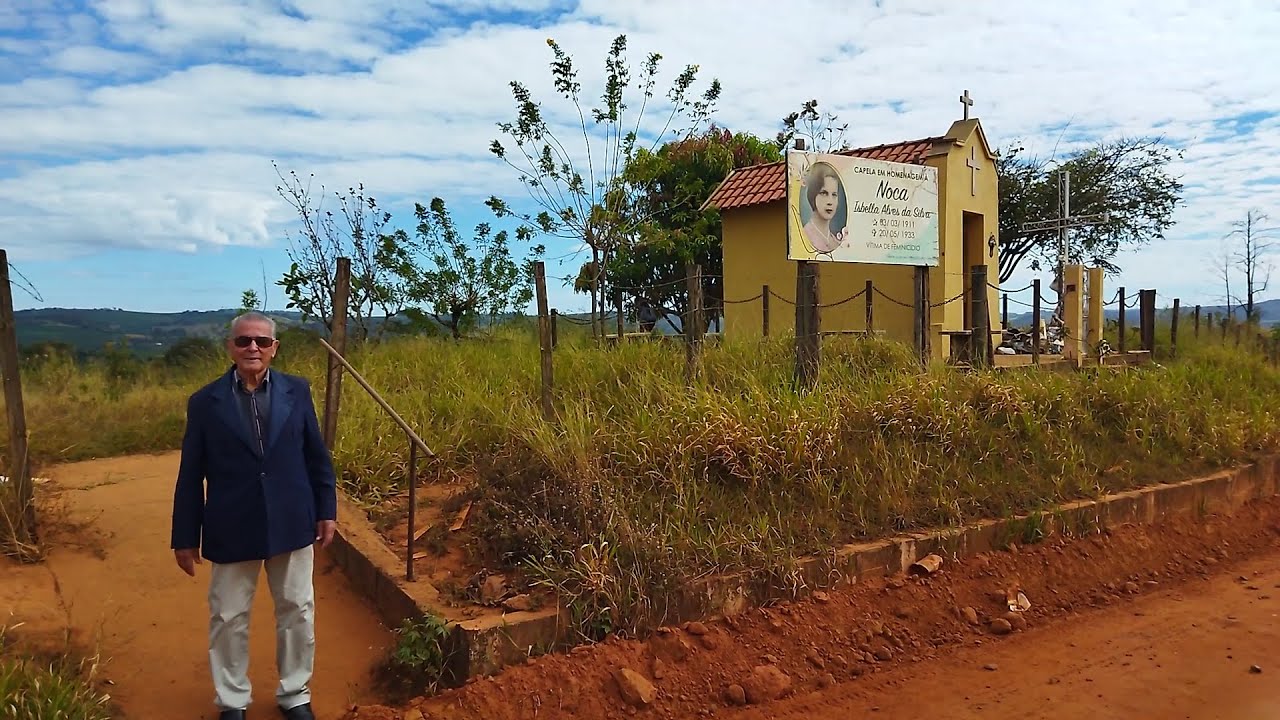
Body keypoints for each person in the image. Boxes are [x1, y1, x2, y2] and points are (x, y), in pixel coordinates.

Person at [170, 311, 337, 720]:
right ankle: (232, 701)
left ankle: (295, 693)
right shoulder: (205, 402)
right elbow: (191, 473)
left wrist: (326, 509)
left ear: (274, 348)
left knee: (297, 609)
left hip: (292, 519)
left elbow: (317, 456)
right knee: (228, 616)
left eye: (262, 341)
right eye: (244, 341)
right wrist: (184, 535)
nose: (253, 348)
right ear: (230, 347)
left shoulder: (298, 392)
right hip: (231, 523)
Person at [801, 162, 847, 254]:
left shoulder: (835, 242)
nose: (830, 201)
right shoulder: (805, 236)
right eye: (824, 193)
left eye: (834, 195)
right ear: (813, 194)